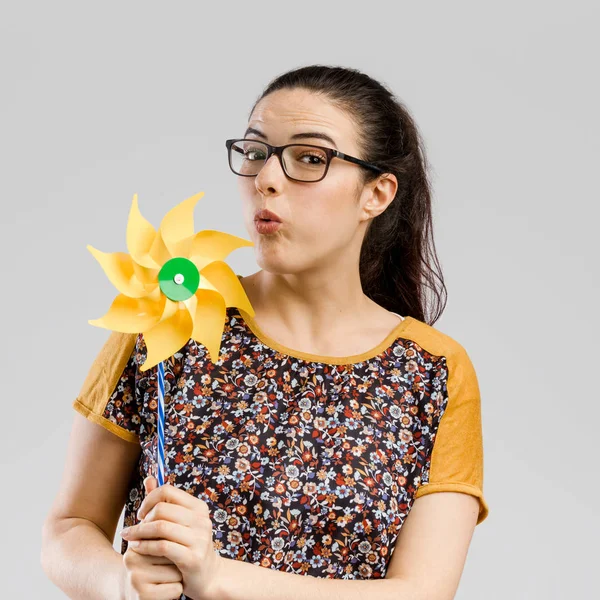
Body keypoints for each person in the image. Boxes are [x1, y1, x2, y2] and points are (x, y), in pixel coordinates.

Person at [41, 65, 488, 600]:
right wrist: (120, 582)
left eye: (310, 158)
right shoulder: (167, 320)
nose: (266, 179)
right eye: (256, 152)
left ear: (377, 193)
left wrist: (217, 577)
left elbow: (422, 592)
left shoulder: (433, 371)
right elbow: (68, 529)